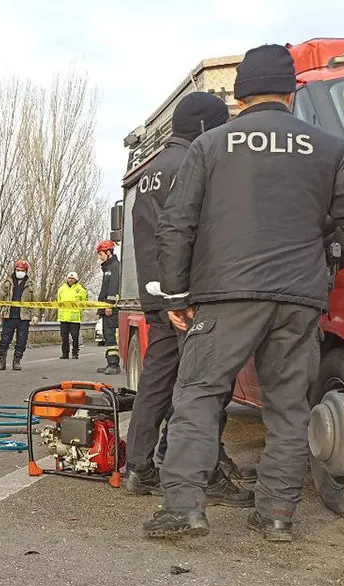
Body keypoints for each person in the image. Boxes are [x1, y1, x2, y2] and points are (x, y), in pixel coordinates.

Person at [146, 44, 344, 541]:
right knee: (289, 407)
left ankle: (184, 508)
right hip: (299, 297)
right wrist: (326, 260)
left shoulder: (210, 146)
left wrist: (177, 295)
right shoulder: (330, 148)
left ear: (240, 93)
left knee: (199, 395)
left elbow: (175, 225)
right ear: (291, 90)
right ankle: (276, 515)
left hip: (225, 294)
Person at [122, 92, 252, 508]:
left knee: (156, 385)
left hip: (156, 295)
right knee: (204, 387)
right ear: (202, 128)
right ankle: (207, 472)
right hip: (189, 297)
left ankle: (138, 467)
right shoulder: (194, 165)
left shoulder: (151, 171)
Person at [0, 260, 35, 371]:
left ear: (26, 271)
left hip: (24, 317)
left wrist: (35, 315)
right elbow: (0, 298)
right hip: (9, 316)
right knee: (4, 340)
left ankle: (17, 360)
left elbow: (35, 301)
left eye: (22, 270)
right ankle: (1, 361)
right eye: (18, 270)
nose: (20, 272)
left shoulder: (31, 284)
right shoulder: (7, 282)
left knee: (22, 340)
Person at [96, 240, 121, 375]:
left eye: (101, 254)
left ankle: (114, 365)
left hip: (112, 309)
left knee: (110, 336)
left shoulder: (114, 267)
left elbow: (113, 288)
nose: (100, 257)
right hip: (106, 308)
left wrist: (109, 306)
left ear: (109, 252)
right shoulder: (108, 268)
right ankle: (110, 363)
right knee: (107, 335)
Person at [57, 272, 87, 359]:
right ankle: (65, 353)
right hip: (63, 317)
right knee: (64, 337)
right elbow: (58, 301)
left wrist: (79, 311)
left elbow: (84, 302)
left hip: (74, 317)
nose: (70, 280)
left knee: (75, 337)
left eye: (72, 278)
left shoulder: (81, 289)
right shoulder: (61, 289)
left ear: (76, 279)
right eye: (69, 278)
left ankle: (75, 353)